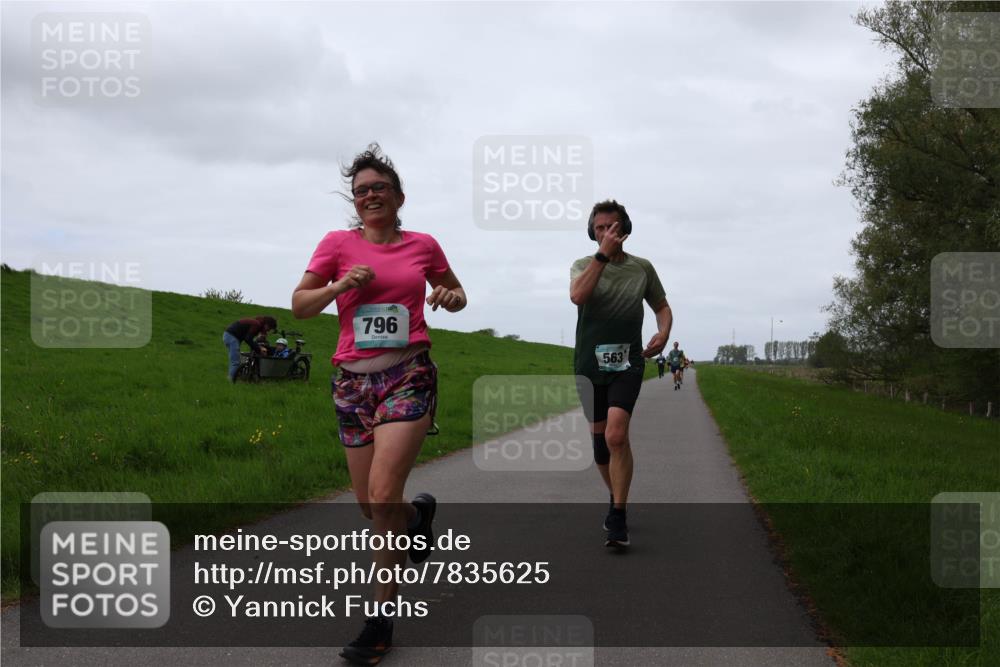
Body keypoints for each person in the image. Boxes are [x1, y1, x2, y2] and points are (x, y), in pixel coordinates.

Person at [292, 143, 466, 666]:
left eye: (379, 188)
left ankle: (379, 622)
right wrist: (341, 284)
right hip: (351, 383)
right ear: (355, 200)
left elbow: (454, 291)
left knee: (384, 490)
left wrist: (451, 298)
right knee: (372, 506)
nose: (370, 195)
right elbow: (299, 305)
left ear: (398, 197)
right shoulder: (337, 244)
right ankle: (417, 518)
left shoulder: (423, 244)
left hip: (408, 373)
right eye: (361, 190)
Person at [570, 200, 672, 548]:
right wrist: (602, 256)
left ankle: (618, 512)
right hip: (589, 366)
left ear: (625, 229)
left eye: (612, 227)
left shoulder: (642, 268)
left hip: (628, 364)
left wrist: (664, 331)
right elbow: (578, 296)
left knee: (616, 436)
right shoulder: (584, 264)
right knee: (601, 448)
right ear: (592, 232)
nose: (607, 233)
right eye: (600, 228)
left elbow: (661, 306)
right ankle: (617, 496)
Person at [222, 316, 277, 382]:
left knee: (235, 360)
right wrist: (259, 349)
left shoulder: (257, 323)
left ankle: (234, 378)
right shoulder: (256, 324)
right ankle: (231, 381)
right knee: (235, 362)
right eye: (270, 328)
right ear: (266, 324)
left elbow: (249, 339)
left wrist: (258, 347)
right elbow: (248, 339)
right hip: (232, 337)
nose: (269, 330)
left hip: (230, 336)